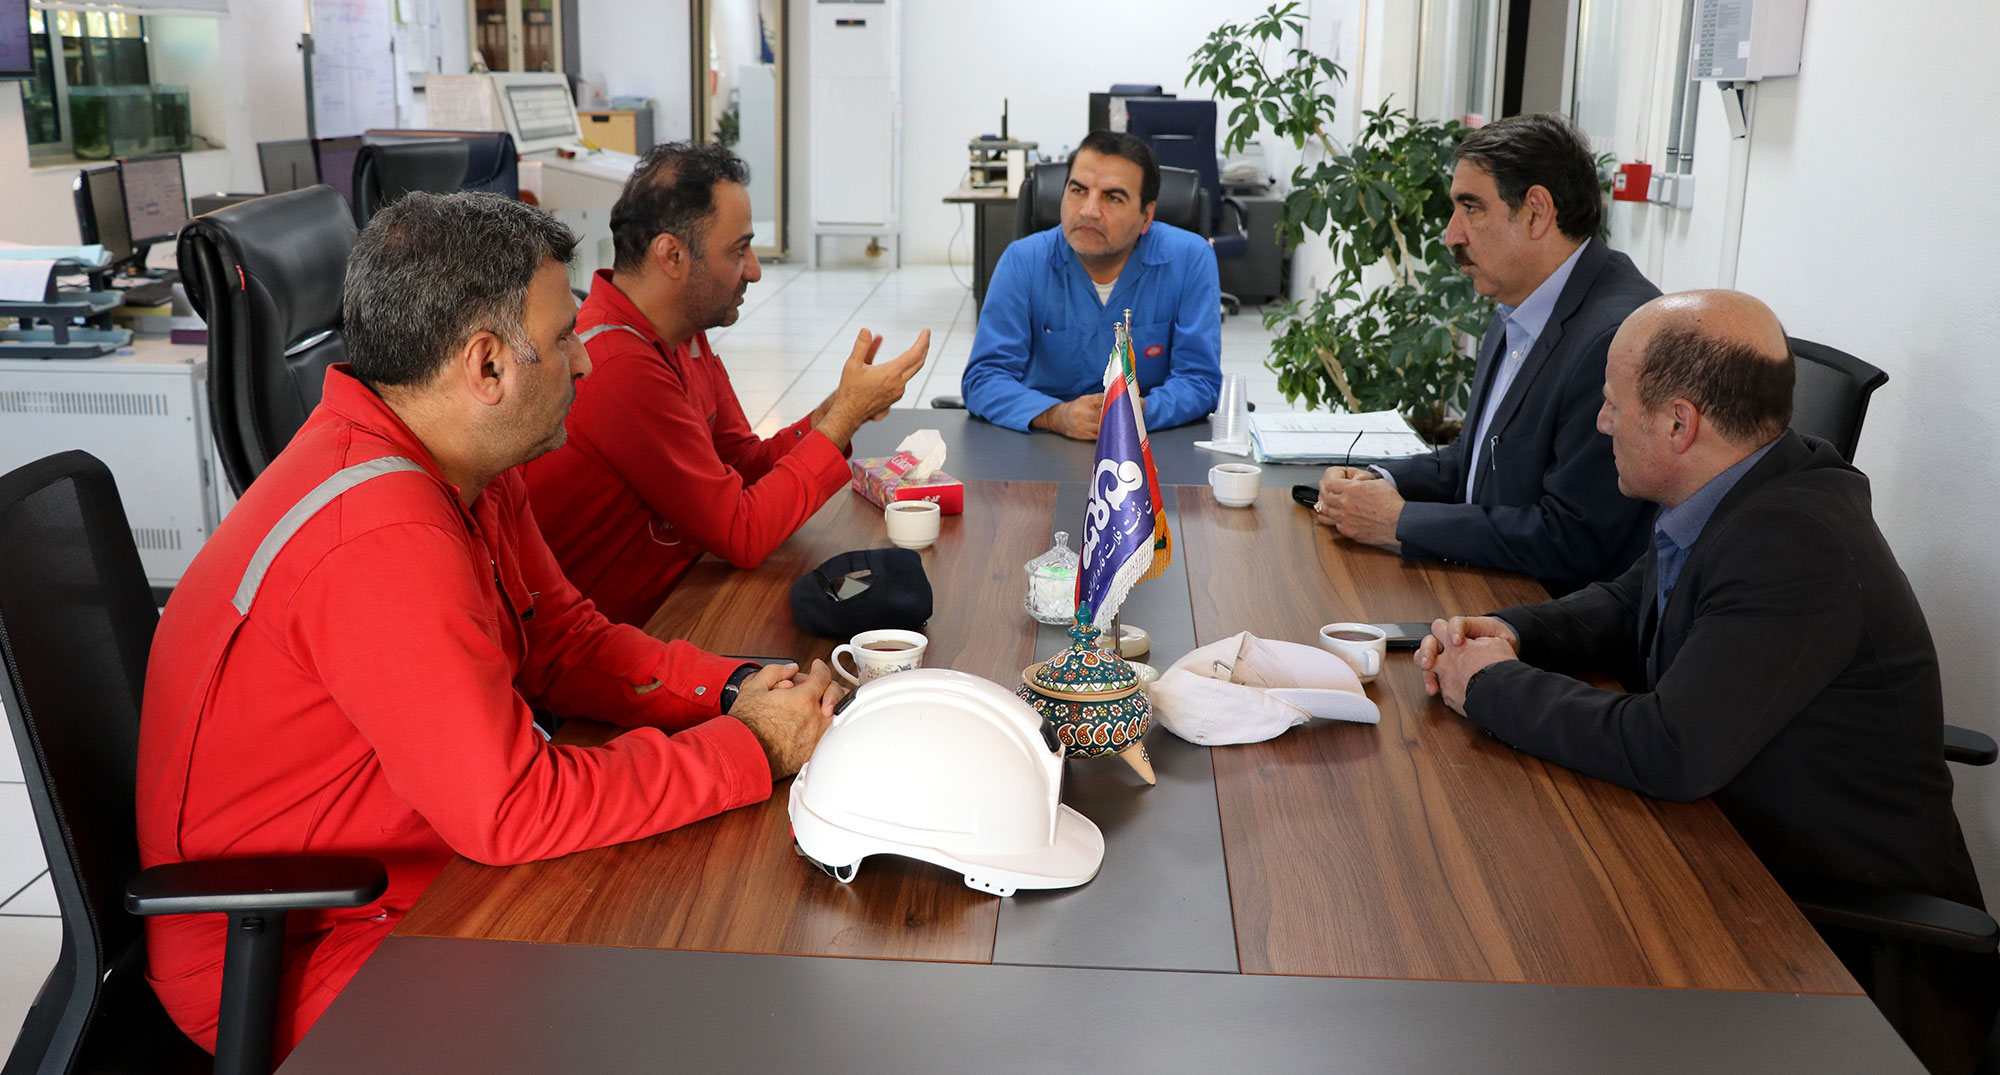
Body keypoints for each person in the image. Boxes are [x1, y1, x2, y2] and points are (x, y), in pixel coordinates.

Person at [136, 193, 842, 1061]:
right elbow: (510, 806)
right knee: (669, 1008)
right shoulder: (381, 533)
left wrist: (728, 690)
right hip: (293, 947)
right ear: (487, 365)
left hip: (406, 864)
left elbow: (565, 642)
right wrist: (751, 747)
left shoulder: (465, 463)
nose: (585, 359)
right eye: (564, 337)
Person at [1417, 290, 1993, 1074]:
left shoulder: (1795, 546)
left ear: (1679, 424)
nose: (1601, 422)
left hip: (1839, 958)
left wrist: (1490, 687)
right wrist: (1512, 630)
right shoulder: (1748, 485)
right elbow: (1629, 600)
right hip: (1732, 864)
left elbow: (1670, 746)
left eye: (1614, 404)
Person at [523, 142, 929, 627]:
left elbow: (741, 465)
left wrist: (837, 409)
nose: (754, 270)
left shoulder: (681, 333)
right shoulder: (618, 366)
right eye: (739, 250)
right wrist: (843, 419)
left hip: (681, 594)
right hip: (626, 634)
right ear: (672, 255)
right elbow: (743, 532)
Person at [1314, 113, 1656, 596]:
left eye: (1471, 208)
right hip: (1487, 587)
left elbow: (1573, 538)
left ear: (1536, 211)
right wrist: (1377, 481)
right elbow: (1479, 461)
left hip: (1547, 615)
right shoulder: (1519, 304)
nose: (1452, 234)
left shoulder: (1616, 337)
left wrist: (1401, 521)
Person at [962, 130, 1221, 439]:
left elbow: (1199, 380)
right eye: (1078, 190)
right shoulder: (1023, 261)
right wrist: (1056, 416)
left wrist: (1137, 412)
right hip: (1044, 441)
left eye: (1113, 197)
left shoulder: (1190, 259)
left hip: (1149, 443)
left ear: (1146, 216)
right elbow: (984, 379)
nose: (1088, 210)